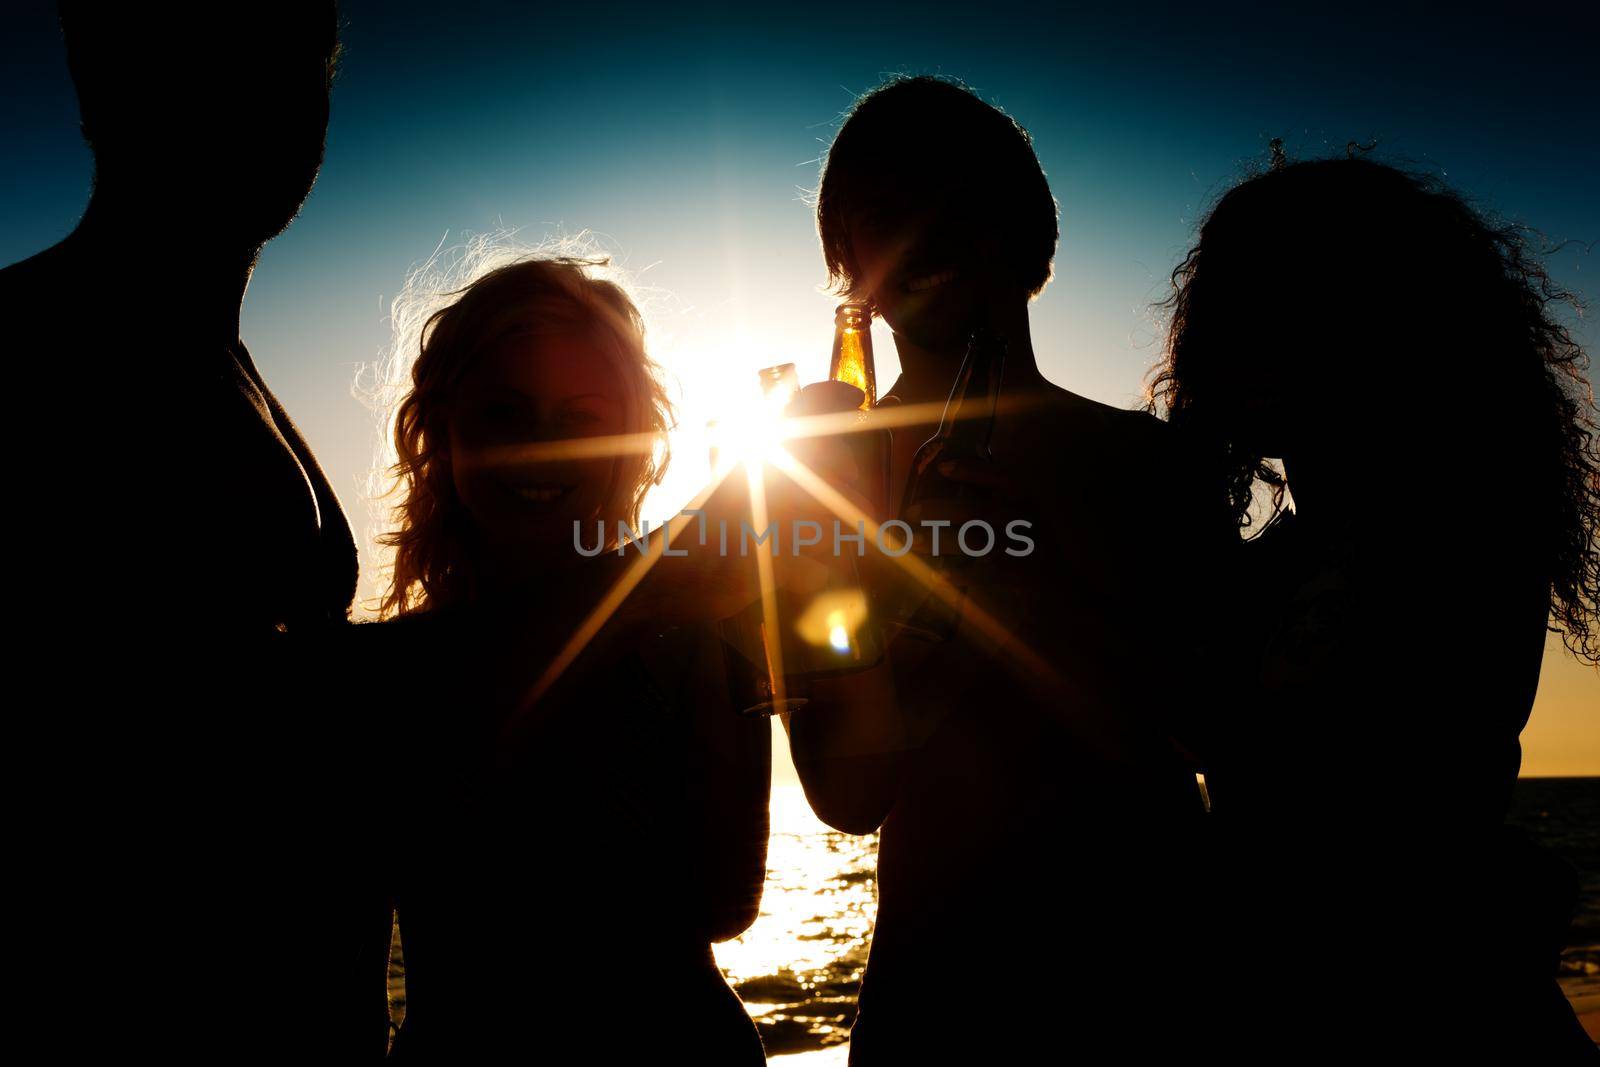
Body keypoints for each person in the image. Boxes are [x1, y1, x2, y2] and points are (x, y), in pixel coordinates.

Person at [784, 76, 1230, 1062]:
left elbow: (1221, 732)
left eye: (953, 200)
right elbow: (848, 794)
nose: (919, 235)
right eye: (881, 216)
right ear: (847, 267)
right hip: (932, 1004)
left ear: (1029, 241)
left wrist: (1030, 596)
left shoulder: (1148, 466)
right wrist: (842, 569)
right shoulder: (814, 491)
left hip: (1159, 990)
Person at [0, 5, 395, 1057]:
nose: (270, 106)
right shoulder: (37, 349)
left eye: (297, 66)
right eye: (211, 63)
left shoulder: (228, 359)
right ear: (104, 98)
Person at [1147, 153, 1600, 1059]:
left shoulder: (1440, 530)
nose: (1236, 348)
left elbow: (1272, 743)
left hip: (1403, 1002)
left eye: (1272, 312)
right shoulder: (1326, 537)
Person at [371, 251, 770, 1062]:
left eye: (581, 419)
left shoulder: (694, 623)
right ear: (441, 429)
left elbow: (727, 899)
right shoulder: (387, 672)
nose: (543, 450)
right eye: (505, 415)